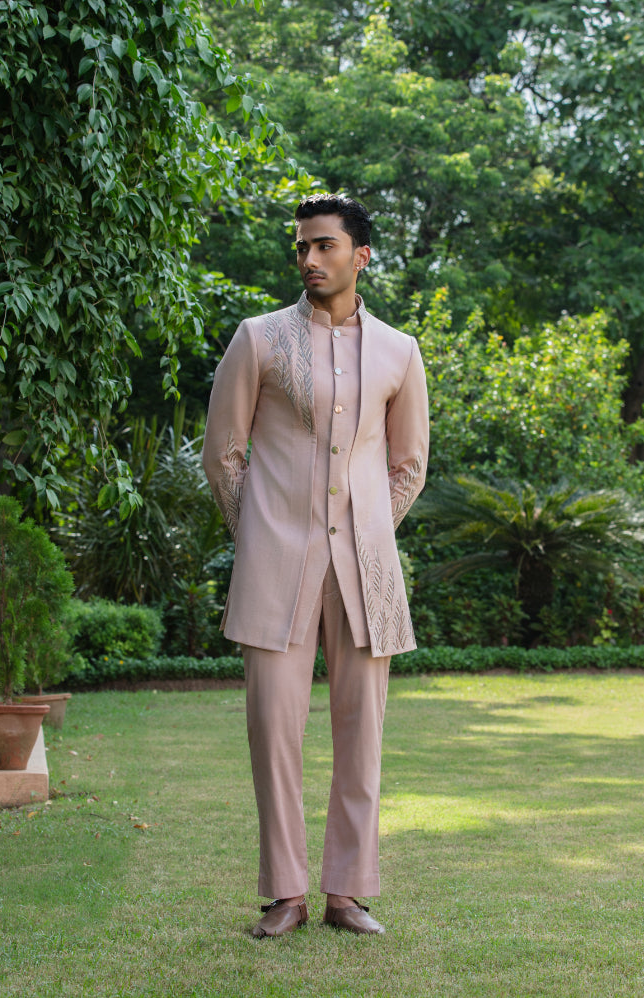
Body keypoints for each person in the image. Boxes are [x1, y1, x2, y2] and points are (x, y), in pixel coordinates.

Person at [202, 193, 429, 937]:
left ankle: (347, 894)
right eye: (301, 246)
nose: (308, 258)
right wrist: (260, 531)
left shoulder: (399, 351)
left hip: (366, 569)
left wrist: (365, 532)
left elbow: (408, 465)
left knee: (362, 736)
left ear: (360, 255)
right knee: (273, 734)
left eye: (324, 245)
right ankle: (285, 894)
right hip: (276, 565)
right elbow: (223, 454)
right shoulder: (258, 338)